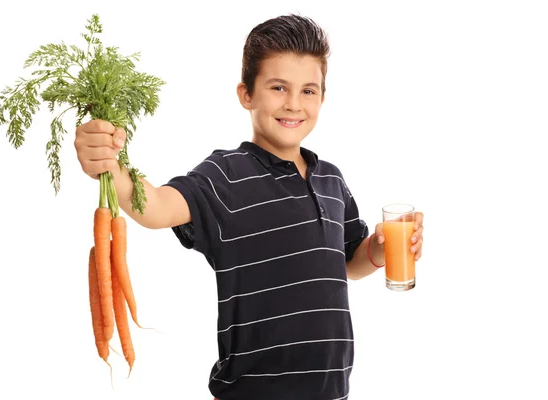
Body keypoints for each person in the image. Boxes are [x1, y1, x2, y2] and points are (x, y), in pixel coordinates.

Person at [74, 13, 424, 400]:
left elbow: (347, 263)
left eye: (309, 90)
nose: (294, 104)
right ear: (247, 95)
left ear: (322, 97)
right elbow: (155, 206)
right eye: (278, 87)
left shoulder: (331, 180)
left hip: (332, 392)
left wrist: (376, 251)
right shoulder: (225, 175)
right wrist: (112, 164)